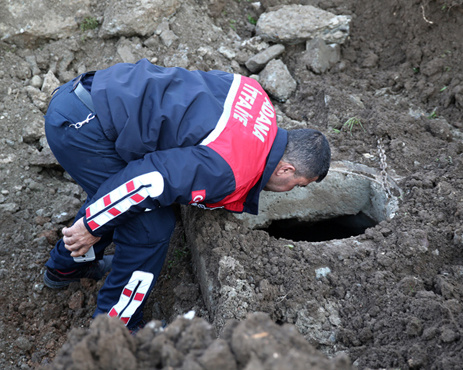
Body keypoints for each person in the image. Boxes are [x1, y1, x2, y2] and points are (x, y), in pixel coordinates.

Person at [42, 58, 331, 332]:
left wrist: (96, 220)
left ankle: (65, 268)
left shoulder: (255, 94)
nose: (291, 191)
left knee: (120, 204)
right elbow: (146, 182)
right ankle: (114, 329)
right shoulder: (230, 168)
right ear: (286, 169)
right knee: (151, 229)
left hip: (91, 95)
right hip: (82, 128)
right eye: (298, 184)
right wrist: (92, 225)